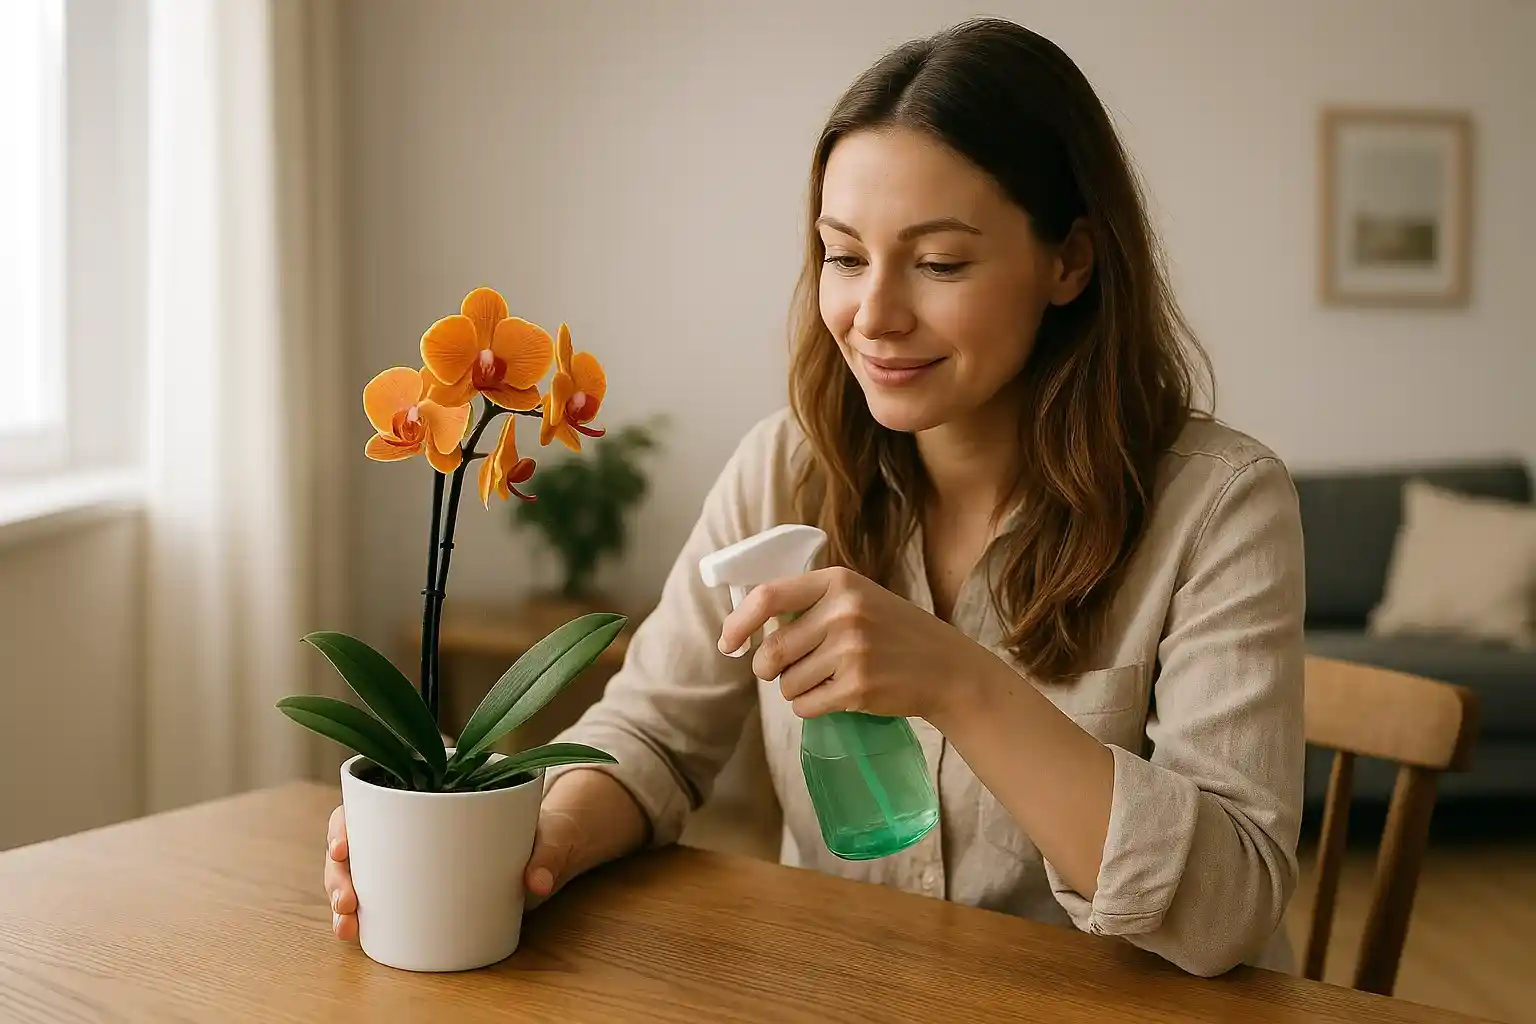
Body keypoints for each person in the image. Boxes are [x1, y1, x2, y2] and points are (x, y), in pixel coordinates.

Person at [325, 16, 1305, 978]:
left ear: (1071, 261)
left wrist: (961, 684)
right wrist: (515, 848)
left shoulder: (1221, 507)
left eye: (939, 262)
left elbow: (1230, 906)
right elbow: (654, 736)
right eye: (843, 254)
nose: (872, 315)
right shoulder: (785, 469)